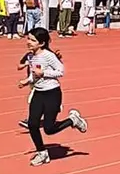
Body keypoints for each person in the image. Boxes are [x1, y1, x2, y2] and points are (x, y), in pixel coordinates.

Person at [19, 28, 88, 166]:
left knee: (49, 129)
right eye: (28, 39)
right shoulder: (31, 56)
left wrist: (43, 73)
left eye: (33, 40)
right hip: (38, 93)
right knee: (32, 124)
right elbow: (34, 73)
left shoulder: (48, 56)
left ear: (42, 43)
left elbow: (60, 71)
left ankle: (72, 120)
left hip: (52, 93)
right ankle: (42, 153)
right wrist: (27, 81)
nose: (29, 42)